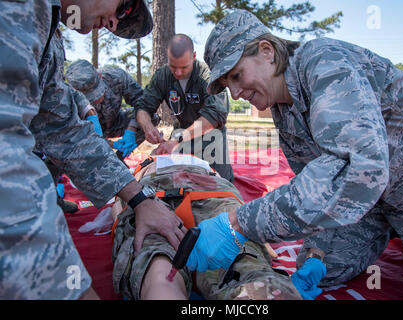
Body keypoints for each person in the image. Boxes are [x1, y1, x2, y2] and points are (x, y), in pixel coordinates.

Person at [185, 10, 403, 300]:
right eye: (226, 85)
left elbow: (358, 170)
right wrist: (315, 251)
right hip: (376, 207)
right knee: (323, 265)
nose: (234, 93)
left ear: (267, 51)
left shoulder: (325, 61)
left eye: (236, 75)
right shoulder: (282, 110)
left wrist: (238, 223)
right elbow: (314, 187)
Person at [0, 0, 184, 300]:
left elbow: (63, 130)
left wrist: (138, 198)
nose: (113, 24)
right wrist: (62, 285)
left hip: (117, 127)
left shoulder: (50, 32)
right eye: (122, 6)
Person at [111, 153, 311, 300]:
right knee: (244, 262)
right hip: (209, 190)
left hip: (155, 192)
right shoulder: (196, 161)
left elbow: (118, 205)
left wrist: (124, 214)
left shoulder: (140, 168)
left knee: (158, 268)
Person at [135, 34, 234, 182]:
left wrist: (176, 140)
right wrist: (147, 126)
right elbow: (143, 106)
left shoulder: (207, 75)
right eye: (173, 67)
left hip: (210, 135)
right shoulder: (163, 75)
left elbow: (215, 115)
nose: (178, 73)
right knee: (164, 178)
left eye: (184, 67)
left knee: (219, 182)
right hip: (181, 131)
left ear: (193, 56)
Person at [66, 59, 153, 160]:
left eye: (98, 91)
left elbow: (142, 102)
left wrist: (132, 129)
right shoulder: (68, 99)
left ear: (99, 76)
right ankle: (105, 162)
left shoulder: (117, 76)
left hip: (115, 122)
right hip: (91, 132)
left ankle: (120, 158)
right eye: (91, 97)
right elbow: (77, 134)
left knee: (150, 117)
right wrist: (111, 144)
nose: (97, 99)